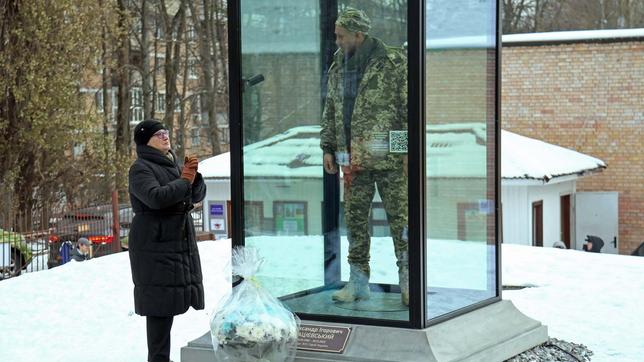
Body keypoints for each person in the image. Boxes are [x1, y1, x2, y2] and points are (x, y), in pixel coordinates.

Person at [320, 8, 409, 305]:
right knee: (355, 223)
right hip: (352, 161)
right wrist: (329, 148)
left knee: (401, 221)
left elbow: (407, 109)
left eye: (341, 36)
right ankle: (358, 283)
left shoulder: (393, 62)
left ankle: (409, 280)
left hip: (389, 161)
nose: (337, 41)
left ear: (359, 34)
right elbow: (331, 109)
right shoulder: (337, 65)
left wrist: (403, 152)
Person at [127, 119, 206, 362]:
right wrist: (184, 180)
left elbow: (191, 196)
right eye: (158, 134)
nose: (165, 136)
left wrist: (195, 179)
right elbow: (156, 198)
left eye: (166, 132)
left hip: (176, 242)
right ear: (146, 141)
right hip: (154, 245)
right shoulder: (140, 168)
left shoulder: (169, 164)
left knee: (169, 302)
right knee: (159, 308)